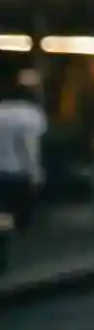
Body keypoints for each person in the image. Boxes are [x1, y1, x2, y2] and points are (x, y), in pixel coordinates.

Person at [0, 70, 46, 277]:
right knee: (20, 217)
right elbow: (30, 147)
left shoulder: (2, 110)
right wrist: (35, 172)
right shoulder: (32, 115)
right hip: (19, 172)